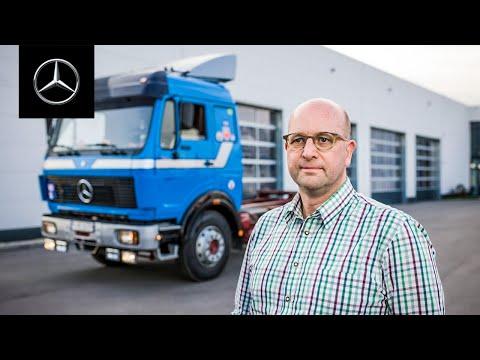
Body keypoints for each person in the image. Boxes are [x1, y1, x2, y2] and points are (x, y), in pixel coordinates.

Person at [232, 98, 445, 315]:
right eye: (298, 140)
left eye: (324, 139)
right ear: (287, 147)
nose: (307, 152)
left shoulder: (396, 234)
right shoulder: (266, 226)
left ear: (348, 151)